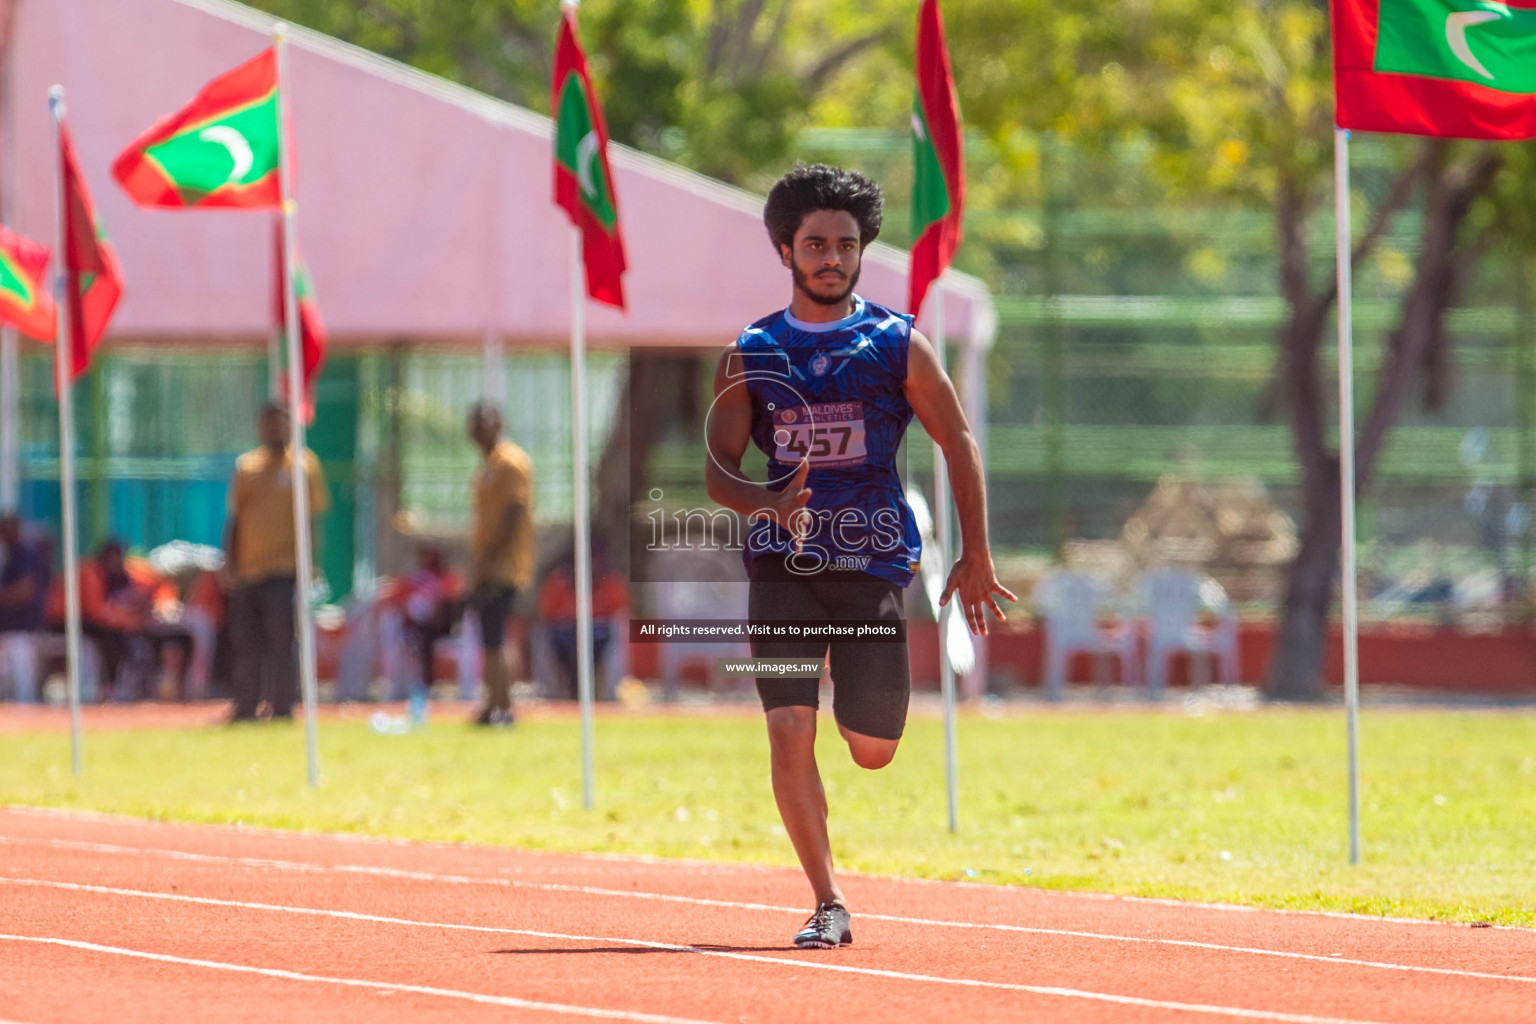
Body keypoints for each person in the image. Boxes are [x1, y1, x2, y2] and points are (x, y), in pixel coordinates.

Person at [704, 164, 1016, 948]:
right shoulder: (752, 350)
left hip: (874, 565)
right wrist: (764, 503)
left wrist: (975, 553)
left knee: (872, 750)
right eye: (814, 244)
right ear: (786, 251)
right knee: (786, 733)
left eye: (845, 244)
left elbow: (960, 442)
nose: (830, 257)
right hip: (783, 566)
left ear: (861, 250)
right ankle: (828, 900)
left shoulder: (894, 343)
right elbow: (717, 470)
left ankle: (852, 679)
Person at [223, 402, 329, 722]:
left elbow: (313, 520)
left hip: (285, 569)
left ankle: (282, 705)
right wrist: (230, 562)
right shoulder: (247, 466)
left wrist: (311, 565)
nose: (275, 429)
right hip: (250, 570)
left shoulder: (304, 466)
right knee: (246, 640)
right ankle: (246, 705)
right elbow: (236, 518)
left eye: (281, 424)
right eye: (270, 423)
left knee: (282, 640)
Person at [465, 402, 534, 725]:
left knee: (497, 636)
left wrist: (489, 558)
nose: (480, 429)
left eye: (487, 422)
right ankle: (493, 703)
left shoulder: (510, 463)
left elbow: (514, 512)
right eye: (476, 423)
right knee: (489, 637)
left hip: (502, 567)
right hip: (488, 565)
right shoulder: (488, 466)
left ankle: (503, 706)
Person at [0, 514, 50, 702]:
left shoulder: (26, 553)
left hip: (23, 632)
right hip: (10, 633)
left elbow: (24, 591)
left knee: (23, 689)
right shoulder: (10, 555)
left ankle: (26, 710)